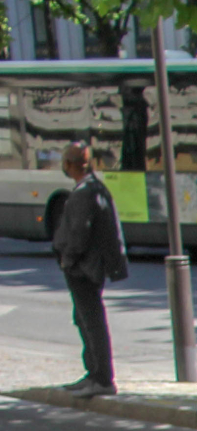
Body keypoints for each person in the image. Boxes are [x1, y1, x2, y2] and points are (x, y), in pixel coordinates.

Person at [51, 141, 129, 397]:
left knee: (91, 320)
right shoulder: (94, 188)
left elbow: (79, 233)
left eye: (66, 161)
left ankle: (102, 378)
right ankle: (94, 374)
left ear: (71, 165)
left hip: (83, 268)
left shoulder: (85, 192)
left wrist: (68, 259)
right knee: (83, 319)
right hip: (88, 266)